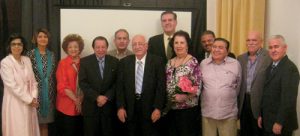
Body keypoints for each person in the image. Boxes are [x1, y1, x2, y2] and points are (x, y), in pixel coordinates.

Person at [116, 34, 165, 136]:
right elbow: (119, 87)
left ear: (146, 46)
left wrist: (158, 108)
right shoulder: (124, 62)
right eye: (134, 44)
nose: (137, 47)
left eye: (140, 44)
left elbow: (161, 87)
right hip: (129, 109)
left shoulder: (157, 61)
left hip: (150, 109)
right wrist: (120, 107)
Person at [258, 35, 299, 136]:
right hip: (268, 120)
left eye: (276, 47)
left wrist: (279, 122)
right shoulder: (270, 67)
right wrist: (261, 115)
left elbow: (288, 99)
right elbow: (266, 94)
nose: (273, 50)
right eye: (270, 47)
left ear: (285, 48)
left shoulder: (290, 68)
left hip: (280, 124)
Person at [200, 38, 241, 136]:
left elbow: (239, 87)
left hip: (228, 114)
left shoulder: (235, 64)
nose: (216, 50)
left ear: (227, 51)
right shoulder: (203, 64)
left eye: (220, 47)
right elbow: (200, 87)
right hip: (208, 114)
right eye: (214, 47)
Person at [0, 33, 40, 136]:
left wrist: (34, 97)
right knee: (18, 130)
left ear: (23, 46)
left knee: (30, 130)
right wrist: (29, 100)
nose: (17, 46)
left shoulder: (26, 60)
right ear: (9, 46)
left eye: (19, 44)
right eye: (13, 44)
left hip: (30, 101)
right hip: (14, 102)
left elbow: (33, 81)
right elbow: (12, 86)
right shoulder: (5, 62)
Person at [79, 36, 118, 136]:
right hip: (91, 108)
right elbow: (83, 83)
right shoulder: (84, 62)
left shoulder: (114, 61)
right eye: (98, 47)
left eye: (103, 47)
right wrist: (97, 97)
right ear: (93, 48)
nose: (101, 50)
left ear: (107, 48)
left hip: (108, 107)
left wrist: (106, 97)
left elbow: (117, 83)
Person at [165, 30, 201, 136]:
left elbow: (198, 87)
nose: (179, 45)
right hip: (170, 109)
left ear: (187, 45)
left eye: (182, 42)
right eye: (176, 43)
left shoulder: (192, 62)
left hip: (187, 111)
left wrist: (183, 97)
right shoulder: (169, 62)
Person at [237, 31, 271, 136]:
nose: (251, 43)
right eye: (248, 40)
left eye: (254, 40)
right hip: (243, 102)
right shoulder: (240, 58)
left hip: (260, 103)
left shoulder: (269, 57)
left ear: (261, 42)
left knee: (258, 132)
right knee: (245, 131)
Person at [27, 28, 56, 136]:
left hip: (49, 94)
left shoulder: (52, 55)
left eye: (45, 36)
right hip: (34, 94)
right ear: (35, 39)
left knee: (45, 125)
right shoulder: (30, 54)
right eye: (40, 36)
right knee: (33, 124)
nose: (43, 39)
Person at [56, 34, 85, 136]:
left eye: (76, 47)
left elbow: (87, 83)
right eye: (70, 47)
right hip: (66, 105)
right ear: (66, 49)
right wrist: (76, 101)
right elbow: (62, 86)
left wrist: (80, 100)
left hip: (82, 104)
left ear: (80, 48)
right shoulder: (62, 63)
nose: (73, 49)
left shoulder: (85, 62)